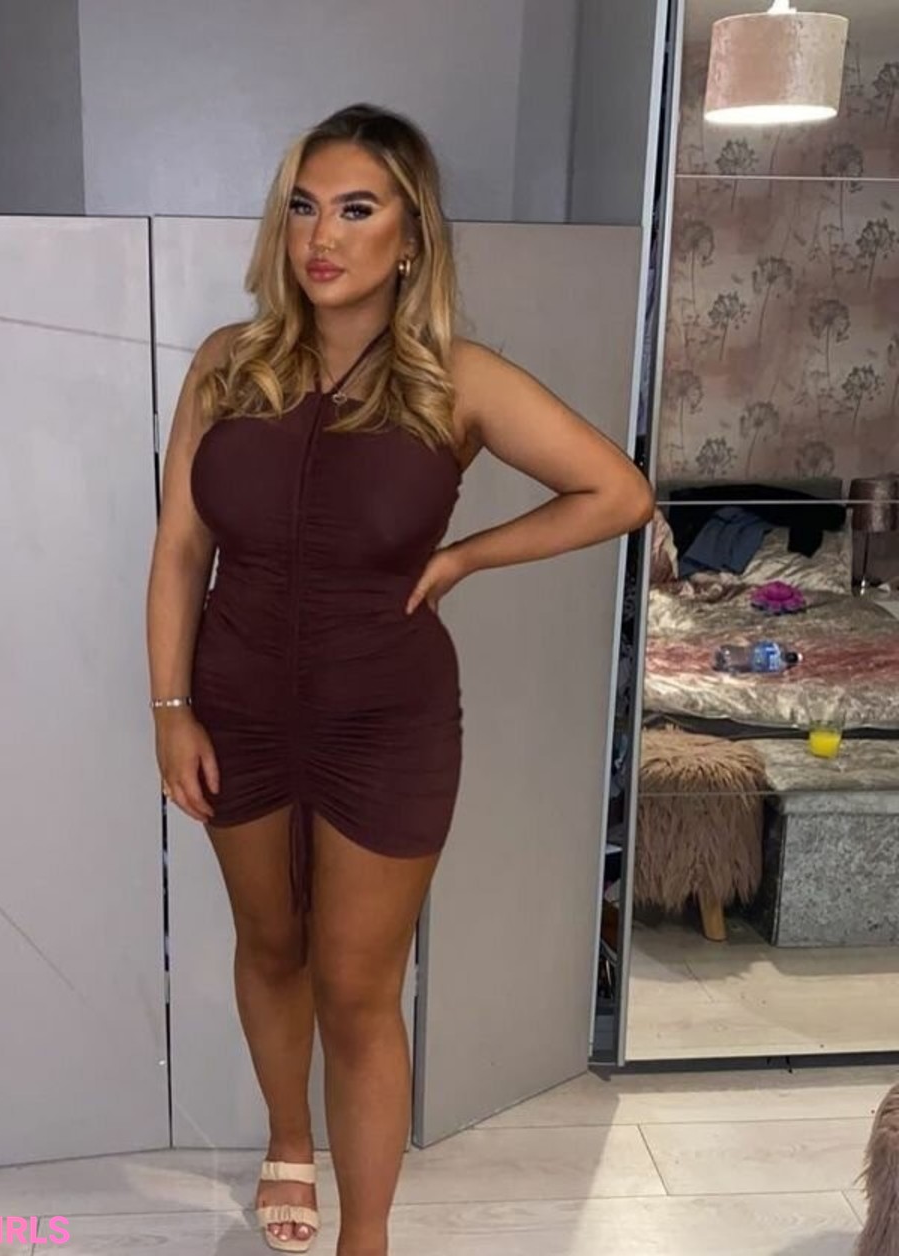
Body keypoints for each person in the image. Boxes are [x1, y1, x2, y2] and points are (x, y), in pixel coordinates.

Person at [146, 102, 654, 1256]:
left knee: (358, 985)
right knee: (270, 943)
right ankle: (289, 1138)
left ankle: (365, 1236)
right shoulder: (227, 364)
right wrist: (170, 708)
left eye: (356, 209)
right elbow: (179, 549)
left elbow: (618, 493)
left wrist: (468, 555)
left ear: (411, 235)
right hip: (235, 706)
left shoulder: (454, 378)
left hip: (387, 717)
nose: (321, 236)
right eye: (303, 207)